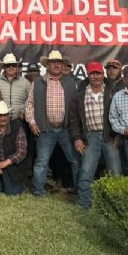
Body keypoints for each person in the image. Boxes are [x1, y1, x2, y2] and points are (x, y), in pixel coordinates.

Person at [25, 50, 80, 197]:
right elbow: (29, 105)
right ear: (47, 65)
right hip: (45, 130)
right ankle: (39, 192)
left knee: (75, 160)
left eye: (59, 63)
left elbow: (77, 107)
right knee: (41, 162)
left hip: (66, 129)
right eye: (53, 62)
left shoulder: (71, 83)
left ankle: (80, 190)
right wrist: (32, 123)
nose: (56, 65)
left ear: (63, 65)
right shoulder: (38, 82)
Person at [68, 62, 121, 209]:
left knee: (115, 171)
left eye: (98, 73)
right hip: (90, 136)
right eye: (92, 73)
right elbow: (73, 119)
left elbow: (120, 114)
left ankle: (115, 205)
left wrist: (119, 135)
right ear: (88, 75)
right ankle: (84, 204)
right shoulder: (79, 94)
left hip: (110, 136)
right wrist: (77, 138)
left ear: (103, 75)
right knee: (86, 170)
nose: (96, 76)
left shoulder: (112, 91)